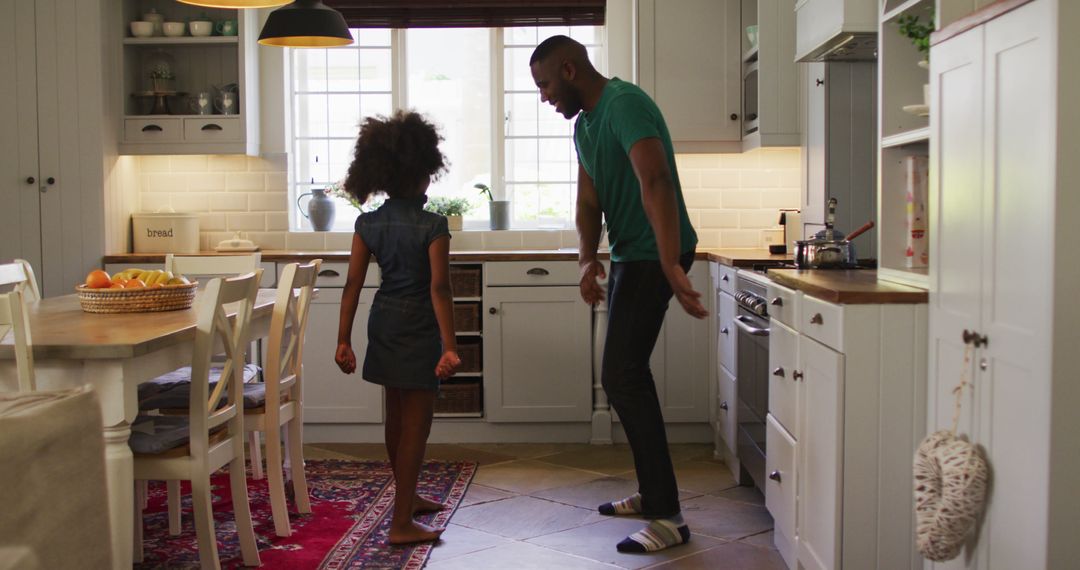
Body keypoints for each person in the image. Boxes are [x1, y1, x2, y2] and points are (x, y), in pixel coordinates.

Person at [530, 35, 708, 554]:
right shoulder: (586, 125)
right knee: (625, 375)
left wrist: (671, 261)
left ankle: (668, 515)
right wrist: (588, 258)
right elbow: (589, 201)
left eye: (544, 84)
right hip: (634, 254)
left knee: (622, 375)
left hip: (656, 254)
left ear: (568, 68)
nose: (544, 96)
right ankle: (655, 495)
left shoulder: (624, 104)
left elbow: (655, 181)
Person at [335, 110, 462, 545]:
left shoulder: (367, 224)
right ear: (424, 174)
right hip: (419, 325)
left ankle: (408, 501)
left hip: (383, 318)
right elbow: (440, 289)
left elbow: (352, 283)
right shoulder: (434, 226)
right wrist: (449, 346)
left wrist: (342, 340)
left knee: (395, 415)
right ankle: (401, 523)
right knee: (417, 425)